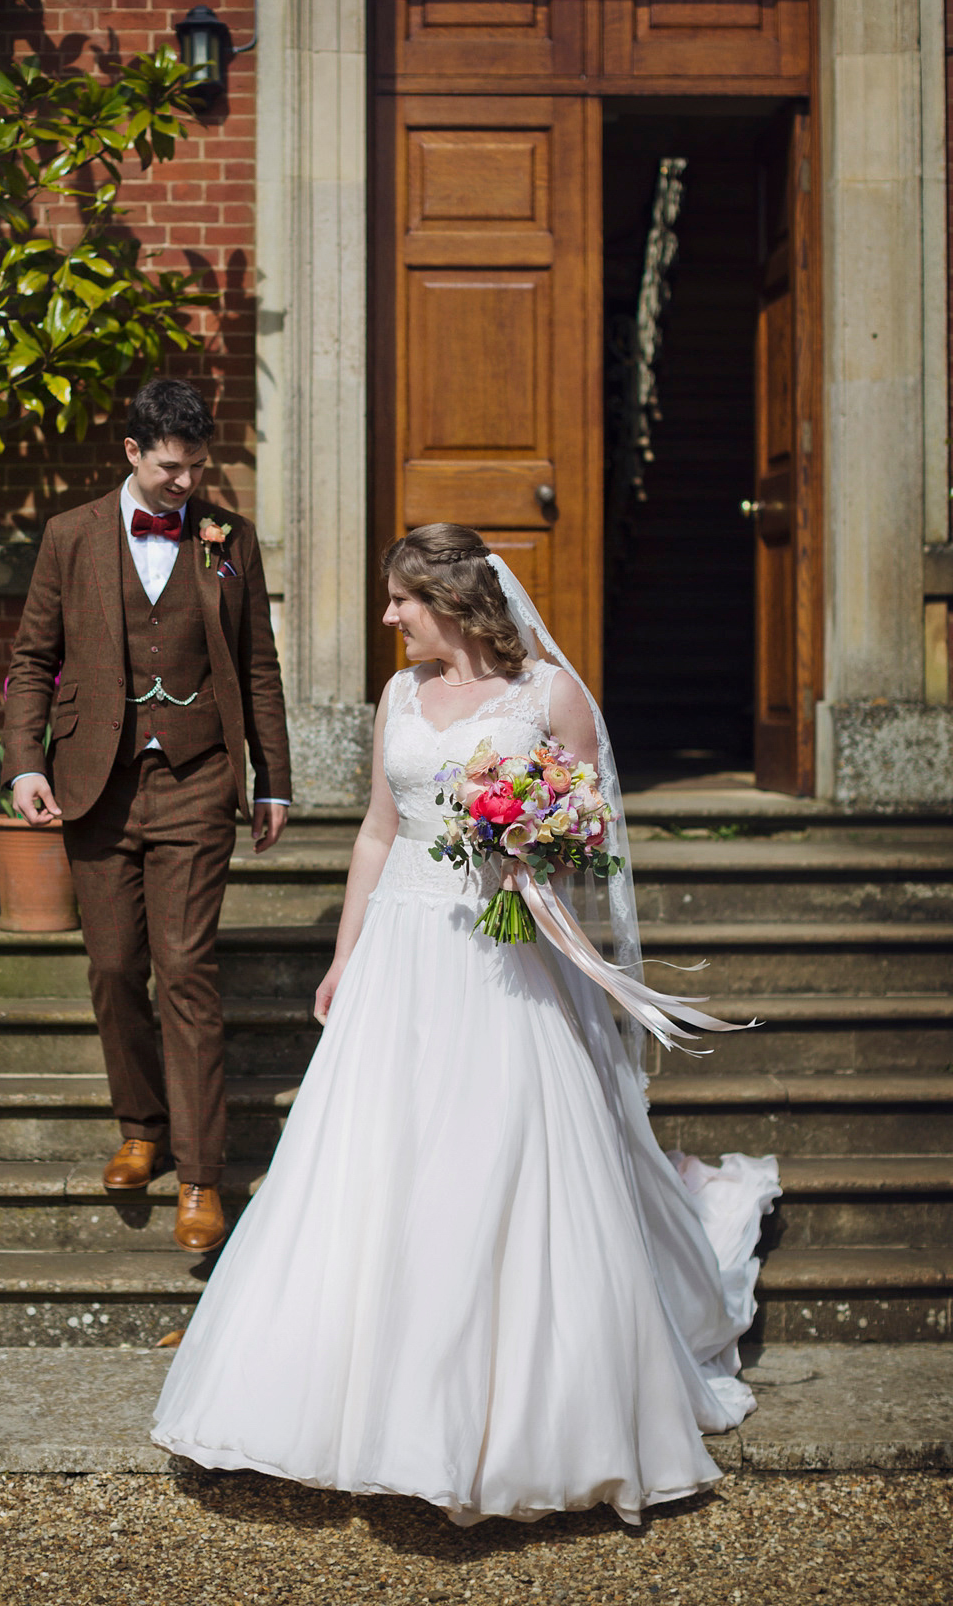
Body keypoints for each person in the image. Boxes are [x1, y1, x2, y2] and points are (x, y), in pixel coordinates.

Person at [150, 521, 778, 1526]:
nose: (388, 615)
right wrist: (345, 953)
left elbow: (596, 828)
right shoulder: (399, 696)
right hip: (401, 954)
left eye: (402, 599)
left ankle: (512, 1422)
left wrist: (535, 846)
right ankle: (348, 1405)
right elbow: (376, 829)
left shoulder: (548, 696)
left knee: (498, 1164)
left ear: (453, 604)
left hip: (505, 961)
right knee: (377, 1165)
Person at [1, 379, 291, 1253]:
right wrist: (24, 764)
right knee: (116, 967)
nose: (185, 482)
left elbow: (259, 663)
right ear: (132, 453)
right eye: (172, 466)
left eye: (197, 467)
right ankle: (141, 1125)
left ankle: (202, 1176)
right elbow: (30, 658)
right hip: (98, 781)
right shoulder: (71, 535)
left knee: (187, 967)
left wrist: (270, 781)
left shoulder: (226, 538)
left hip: (199, 776)